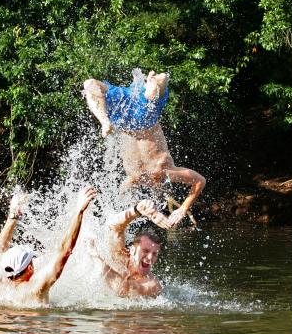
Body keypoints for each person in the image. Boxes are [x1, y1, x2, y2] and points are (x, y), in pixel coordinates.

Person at [83, 69, 206, 226]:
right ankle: (155, 81)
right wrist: (183, 209)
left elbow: (119, 195)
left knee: (89, 84)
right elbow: (200, 180)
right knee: (157, 85)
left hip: (122, 118)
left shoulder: (134, 178)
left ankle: (105, 119)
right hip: (144, 118)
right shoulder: (165, 173)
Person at [0, 185, 97, 305]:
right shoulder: (35, 288)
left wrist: (13, 216)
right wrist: (79, 211)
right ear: (30, 268)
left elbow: (0, 247)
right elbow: (64, 252)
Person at [89, 199, 169, 297]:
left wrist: (94, 255)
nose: (150, 257)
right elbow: (115, 226)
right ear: (132, 250)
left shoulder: (153, 285)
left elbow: (121, 289)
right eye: (145, 251)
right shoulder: (119, 256)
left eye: (154, 254)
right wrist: (136, 211)